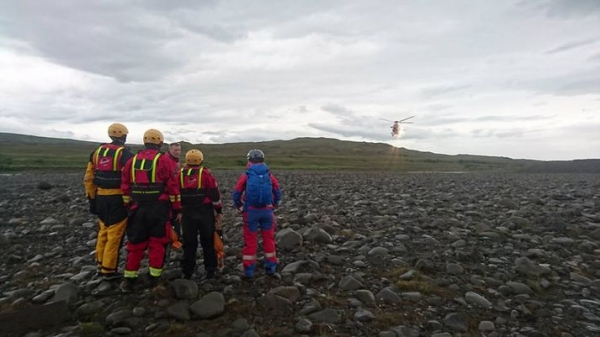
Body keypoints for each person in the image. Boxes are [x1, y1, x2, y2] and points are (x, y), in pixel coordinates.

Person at [119, 129, 182, 293]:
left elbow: (125, 186)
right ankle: (155, 279)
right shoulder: (164, 161)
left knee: (135, 244)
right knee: (157, 243)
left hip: (137, 208)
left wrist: (127, 206)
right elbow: (173, 187)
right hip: (158, 209)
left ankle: (129, 280)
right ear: (160, 143)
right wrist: (176, 210)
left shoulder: (131, 161)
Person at [83, 123, 134, 281]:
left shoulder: (96, 153)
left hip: (100, 197)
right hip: (117, 198)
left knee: (103, 231)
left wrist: (91, 198)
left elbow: (89, 178)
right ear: (124, 136)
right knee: (115, 234)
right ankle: (109, 270)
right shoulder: (125, 154)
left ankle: (100, 265)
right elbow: (130, 178)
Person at [232, 149, 282, 278]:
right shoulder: (268, 174)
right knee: (269, 239)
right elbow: (277, 190)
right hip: (267, 211)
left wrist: (240, 207)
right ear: (262, 160)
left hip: (251, 211)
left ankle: (249, 271)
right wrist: (274, 204)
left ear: (249, 160)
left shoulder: (247, 174)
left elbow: (236, 193)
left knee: (250, 240)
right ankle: (271, 267)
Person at [179, 149, 223, 280]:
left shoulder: (179, 175)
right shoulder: (206, 174)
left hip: (187, 213)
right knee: (208, 242)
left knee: (189, 242)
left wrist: (176, 211)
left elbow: (174, 194)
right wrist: (219, 211)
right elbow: (215, 194)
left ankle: (187, 271)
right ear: (201, 160)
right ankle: (210, 270)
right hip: (204, 212)